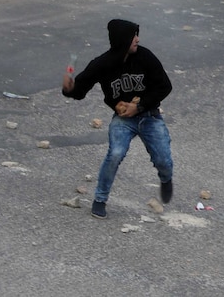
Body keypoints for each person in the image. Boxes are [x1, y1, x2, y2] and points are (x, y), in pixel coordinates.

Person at [62, 19, 174, 219]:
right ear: (123, 40)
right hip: (123, 120)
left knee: (163, 159)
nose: (138, 39)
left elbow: (165, 86)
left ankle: (165, 179)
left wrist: (139, 106)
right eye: (133, 36)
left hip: (150, 116)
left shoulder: (145, 57)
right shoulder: (102, 64)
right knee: (115, 153)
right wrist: (68, 89)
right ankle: (100, 199)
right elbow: (79, 90)